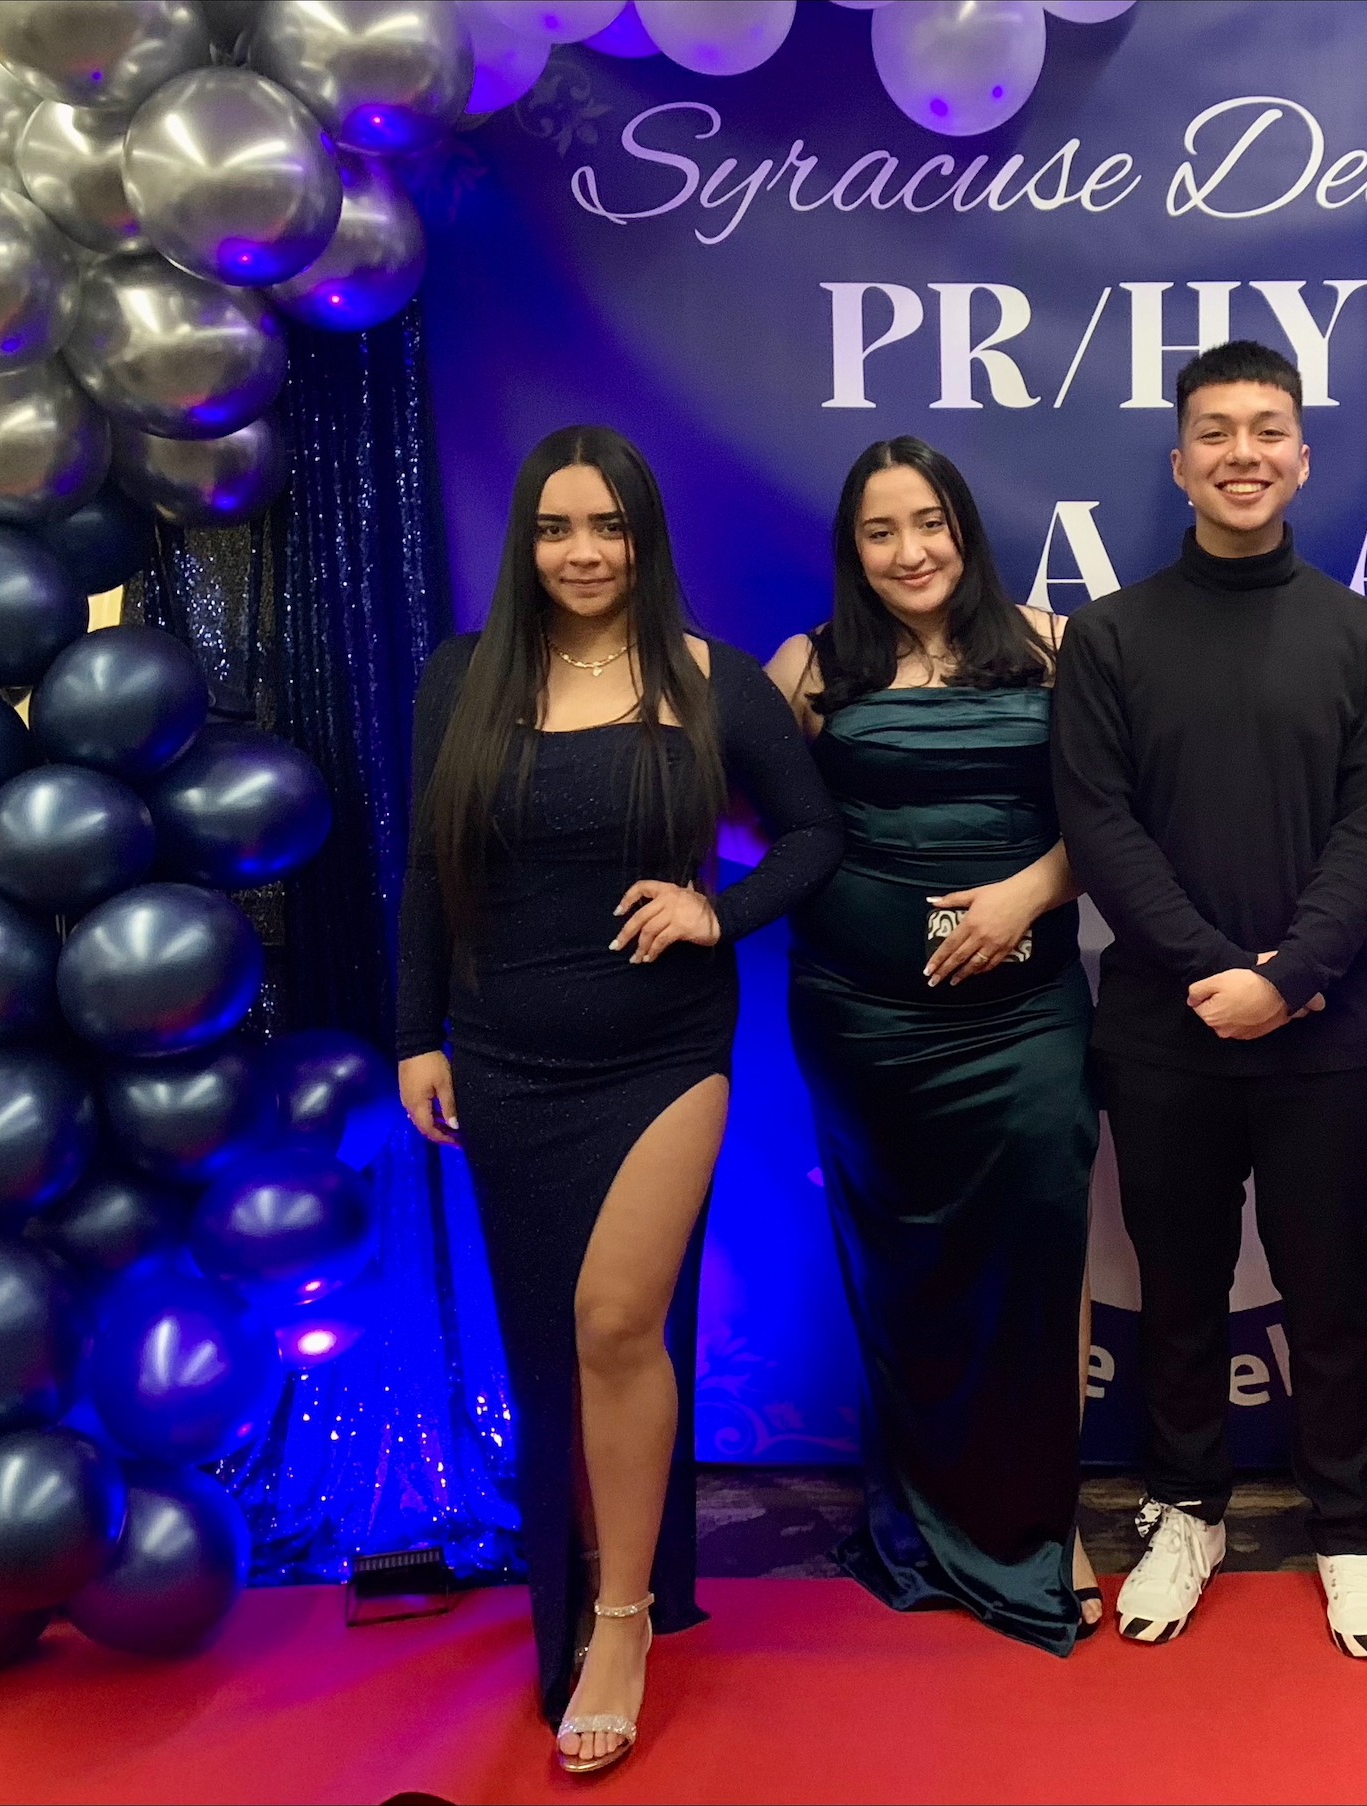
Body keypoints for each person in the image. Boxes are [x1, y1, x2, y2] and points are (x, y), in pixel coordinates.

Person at [395, 426, 841, 1774]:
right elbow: (426, 867)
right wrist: (419, 1033)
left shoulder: (703, 678)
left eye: (608, 528)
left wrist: (720, 908)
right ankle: (580, 1581)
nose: (582, 553)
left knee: (612, 1320)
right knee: (553, 1347)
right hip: (504, 1054)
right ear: (524, 541)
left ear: (644, 540)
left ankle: (627, 1616)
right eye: (554, 527)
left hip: (661, 1053)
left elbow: (817, 835)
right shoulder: (463, 677)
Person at [1052, 339, 1367, 1658]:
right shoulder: (1108, 636)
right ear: (1180, 461)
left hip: (1322, 1034)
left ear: (1302, 455)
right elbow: (1098, 824)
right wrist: (1214, 971)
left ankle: (1350, 1531)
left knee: (1328, 1292)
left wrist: (1285, 977)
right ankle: (1187, 1507)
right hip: (1164, 1030)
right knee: (1182, 1288)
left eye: (1268, 429)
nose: (1242, 453)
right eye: (1216, 432)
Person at [765, 436, 1099, 1653]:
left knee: (1037, 1258)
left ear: (964, 525)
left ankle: (1043, 1526)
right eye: (878, 531)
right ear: (852, 548)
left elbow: (1115, 820)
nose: (909, 552)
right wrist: (851, 902)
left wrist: (1024, 894)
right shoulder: (808, 667)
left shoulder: (1055, 646)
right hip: (866, 1025)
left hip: (1023, 1015)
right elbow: (763, 829)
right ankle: (914, 1523)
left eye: (928, 524)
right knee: (901, 1276)